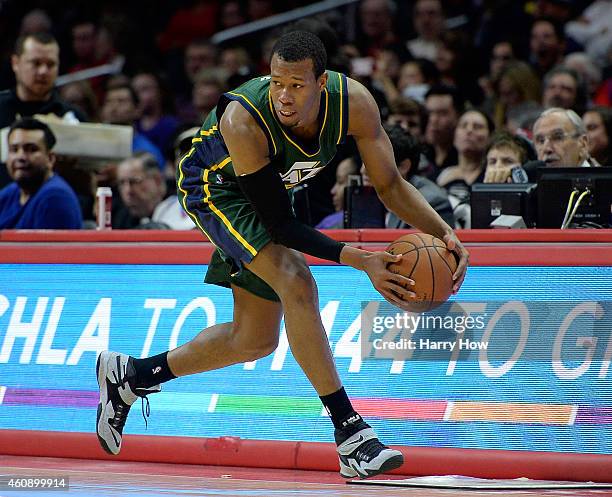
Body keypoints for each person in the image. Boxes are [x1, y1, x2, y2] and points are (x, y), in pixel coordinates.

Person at [96, 31, 468, 480]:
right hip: (216, 190)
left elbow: (389, 185)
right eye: (276, 83)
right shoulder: (243, 119)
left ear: (322, 83)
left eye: (296, 85)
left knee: (254, 340)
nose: (284, 96)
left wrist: (444, 232)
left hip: (271, 189)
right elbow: (280, 226)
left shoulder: (355, 103)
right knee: (297, 281)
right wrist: (361, 259)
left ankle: (131, 376)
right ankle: (350, 434)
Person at [0, 32, 86, 188]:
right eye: (36, 63)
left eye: (51, 64)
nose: (43, 71)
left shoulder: (74, 116)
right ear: (15, 63)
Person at [361, 125, 455, 228]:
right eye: (364, 159)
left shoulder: (431, 203)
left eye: (373, 161)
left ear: (403, 166)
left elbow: (419, 244)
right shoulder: (362, 194)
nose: (363, 170)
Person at [0, 118, 82, 229]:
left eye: (31, 149)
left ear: (50, 158)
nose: (20, 157)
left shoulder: (55, 199)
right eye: (14, 149)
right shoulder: (11, 192)